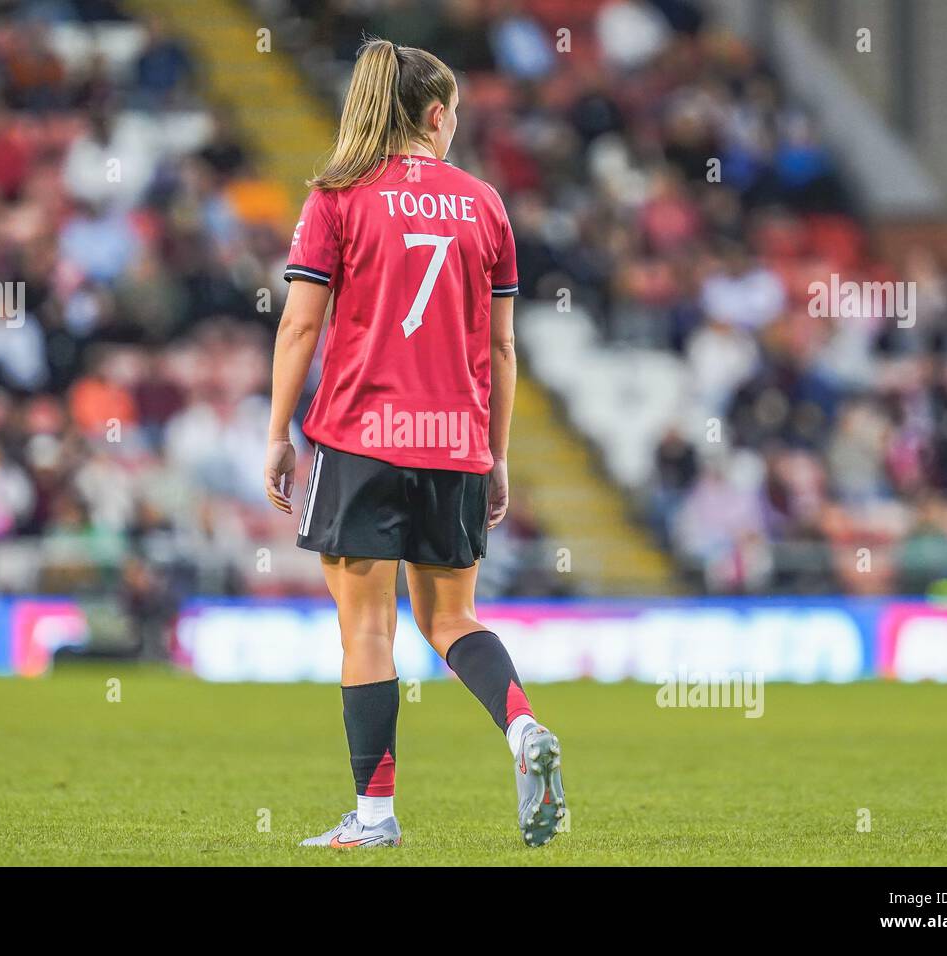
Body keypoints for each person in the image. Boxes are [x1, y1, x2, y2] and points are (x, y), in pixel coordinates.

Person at [264, 39, 566, 849]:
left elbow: (301, 322)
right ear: (435, 117)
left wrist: (276, 433)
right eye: (457, 115)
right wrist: (496, 455)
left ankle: (373, 819)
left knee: (367, 631)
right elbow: (502, 349)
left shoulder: (337, 197)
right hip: (455, 441)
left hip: (360, 439)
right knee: (452, 618)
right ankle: (522, 728)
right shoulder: (486, 204)